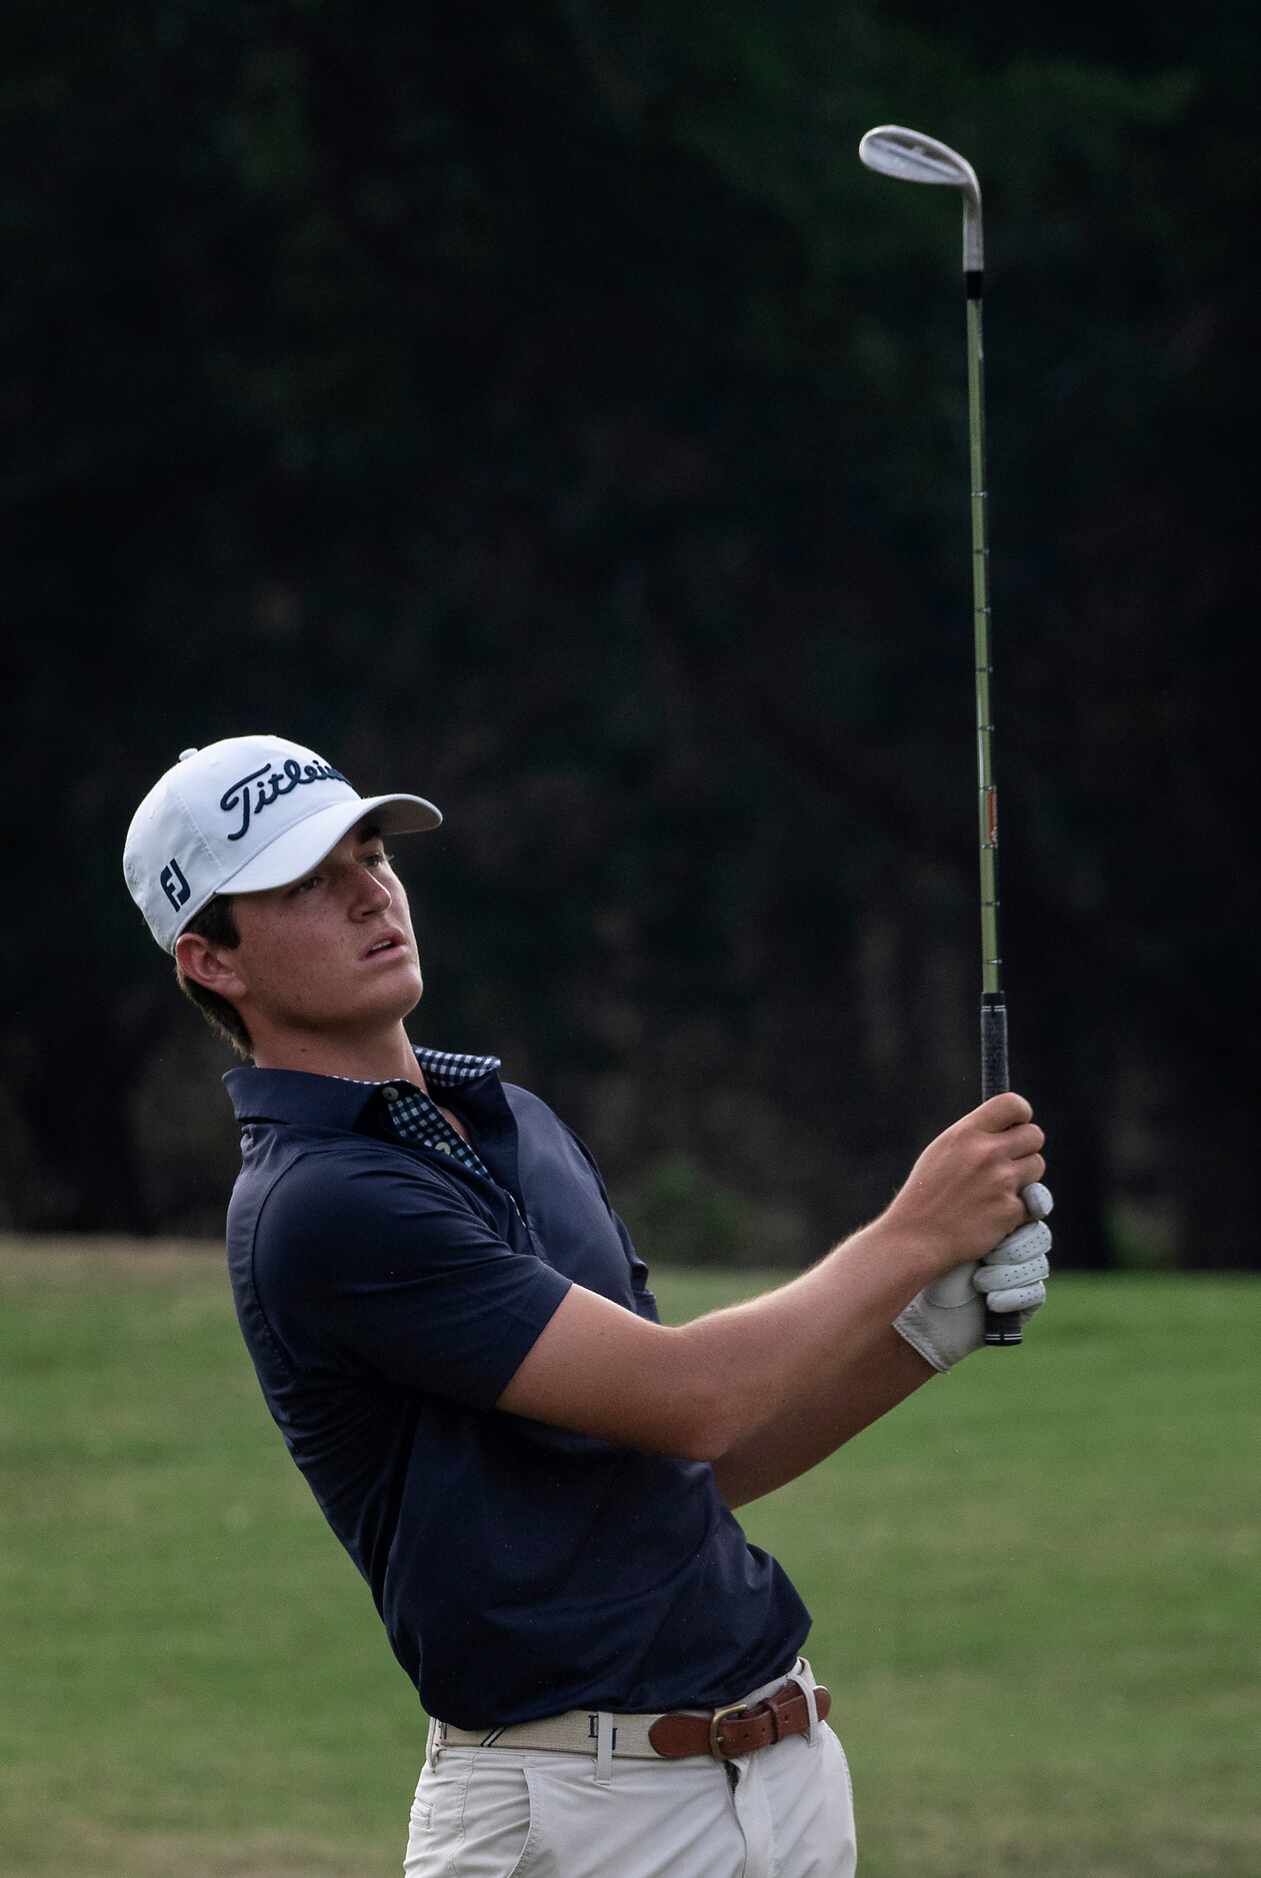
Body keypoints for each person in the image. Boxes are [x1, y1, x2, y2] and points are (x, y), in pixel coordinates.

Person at [123, 733, 1052, 1878]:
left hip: (781, 1771)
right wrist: (916, 1233)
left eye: (372, 855)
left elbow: (685, 1462)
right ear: (213, 960)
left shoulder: (512, 1120)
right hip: (574, 1813)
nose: (371, 893)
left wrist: (923, 1332)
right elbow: (693, 1401)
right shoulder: (321, 1204)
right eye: (308, 882)